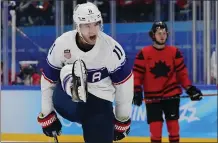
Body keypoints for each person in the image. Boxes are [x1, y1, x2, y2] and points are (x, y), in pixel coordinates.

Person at [37, 2, 133, 143]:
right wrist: (47, 114)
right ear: (78, 26)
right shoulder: (62, 44)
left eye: (96, 24)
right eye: (87, 25)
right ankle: (75, 86)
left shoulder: (111, 50)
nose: (92, 30)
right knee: (68, 70)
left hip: (99, 105)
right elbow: (48, 80)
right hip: (67, 100)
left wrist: (122, 119)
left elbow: (124, 87)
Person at [132, 21, 203, 143]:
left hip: (171, 95)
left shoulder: (174, 52)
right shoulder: (144, 53)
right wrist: (137, 90)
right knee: (155, 129)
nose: (162, 36)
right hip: (152, 97)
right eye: (159, 33)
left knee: (174, 128)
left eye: (164, 33)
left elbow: (182, 74)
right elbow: (137, 74)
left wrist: (190, 89)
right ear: (153, 35)